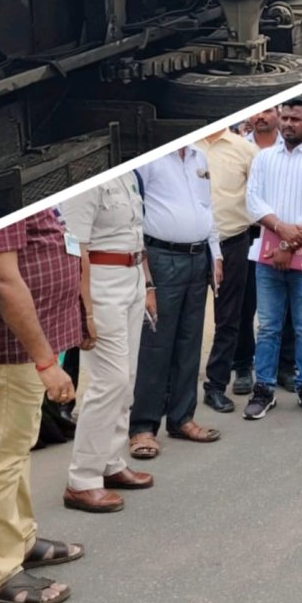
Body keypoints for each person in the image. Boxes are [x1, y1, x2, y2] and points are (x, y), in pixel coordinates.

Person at [0, 210, 84, 603]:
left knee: (15, 449)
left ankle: (20, 539)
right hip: (6, 343)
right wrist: (46, 362)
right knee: (0, 457)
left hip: (23, 341)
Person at [60, 173, 154, 513]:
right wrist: (83, 307)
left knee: (126, 378)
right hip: (100, 283)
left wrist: (147, 285)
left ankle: (110, 461)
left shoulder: (128, 173)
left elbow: (135, 235)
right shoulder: (84, 181)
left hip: (131, 276)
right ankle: (82, 479)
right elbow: (75, 246)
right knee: (108, 380)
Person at [244, 97, 302, 419]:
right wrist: (279, 227)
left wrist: (288, 246)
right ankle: (264, 389)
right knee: (268, 326)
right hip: (267, 258)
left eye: (295, 119)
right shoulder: (264, 159)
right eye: (284, 117)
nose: (287, 124)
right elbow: (253, 201)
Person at [128, 147, 222, 460]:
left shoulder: (199, 157)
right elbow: (133, 216)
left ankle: (182, 418)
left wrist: (216, 254)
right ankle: (143, 426)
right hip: (161, 257)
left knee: (189, 341)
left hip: (198, 258)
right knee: (156, 344)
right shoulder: (148, 158)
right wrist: (146, 276)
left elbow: (206, 207)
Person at [234, 107, 297, 395]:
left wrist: (285, 232)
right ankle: (244, 367)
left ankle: (284, 367)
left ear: (279, 114)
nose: (261, 116)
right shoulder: (239, 146)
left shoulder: (292, 149)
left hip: (286, 235)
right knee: (245, 305)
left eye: (268, 110)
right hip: (249, 233)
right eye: (256, 112)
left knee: (284, 308)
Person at [193, 127, 256, 414]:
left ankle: (215, 386)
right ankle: (172, 388)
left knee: (229, 318)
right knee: (185, 321)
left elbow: (257, 197)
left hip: (233, 242)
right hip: (190, 245)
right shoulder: (184, 147)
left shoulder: (244, 149)